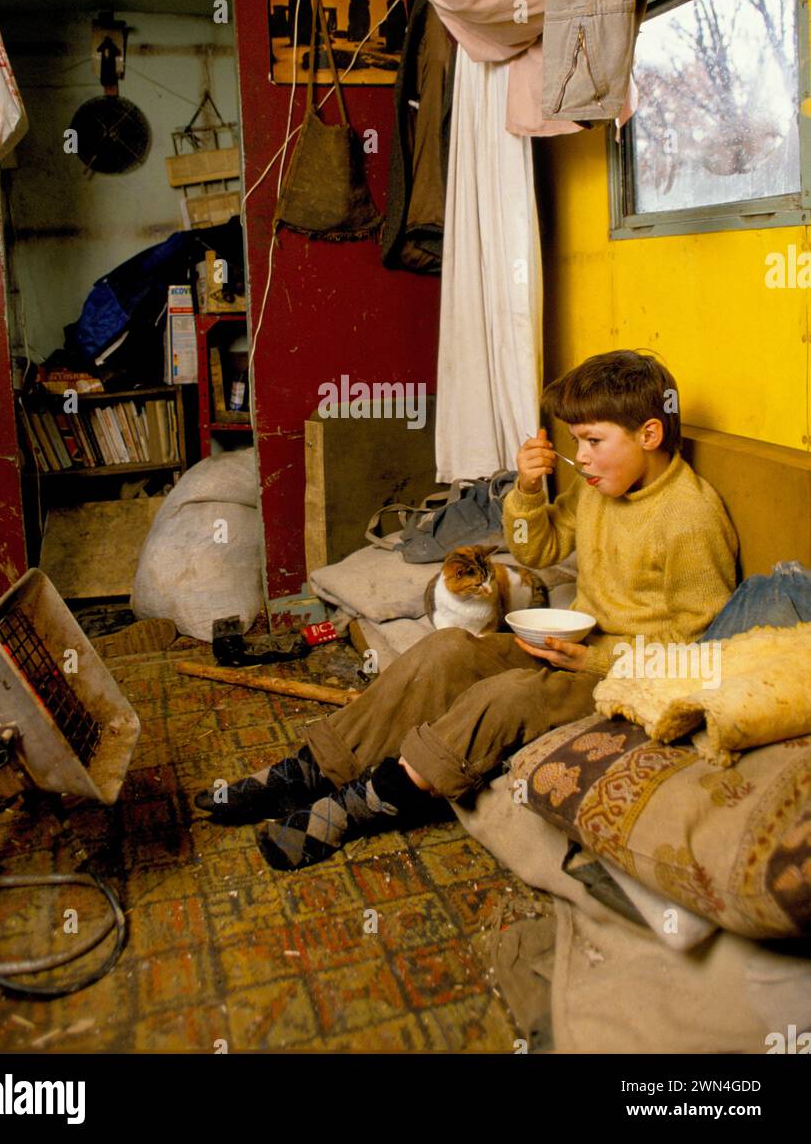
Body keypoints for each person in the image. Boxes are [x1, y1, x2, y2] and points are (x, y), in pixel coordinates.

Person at [195, 349, 739, 871]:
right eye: (577, 442)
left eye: (594, 441)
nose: (582, 458)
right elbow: (534, 549)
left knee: (507, 695)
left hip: (621, 677)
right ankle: (312, 769)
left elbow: (699, 652)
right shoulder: (601, 487)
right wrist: (527, 489)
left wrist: (593, 662)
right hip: (571, 647)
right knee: (447, 648)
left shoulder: (690, 517)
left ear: (650, 434)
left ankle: (380, 796)